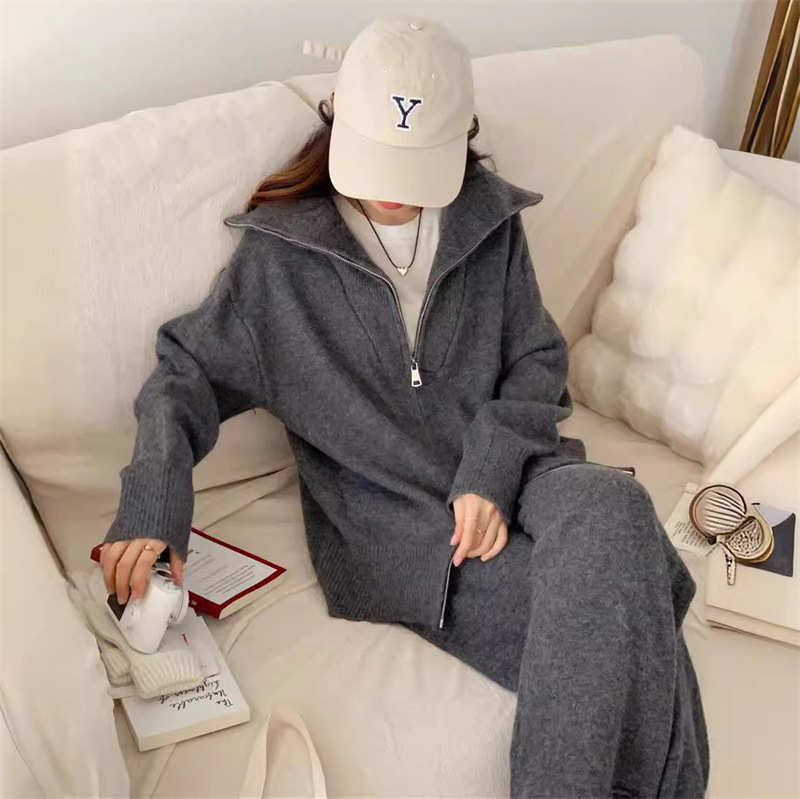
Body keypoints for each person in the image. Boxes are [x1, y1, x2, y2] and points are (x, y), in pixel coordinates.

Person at [99, 16, 710, 797]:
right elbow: (184, 373)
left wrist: (491, 471)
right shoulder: (282, 262)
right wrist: (154, 503)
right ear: (339, 123)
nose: (390, 188)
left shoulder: (489, 224)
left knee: (616, 506)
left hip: (524, 473)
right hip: (414, 535)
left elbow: (536, 358)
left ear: (461, 138)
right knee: (631, 619)